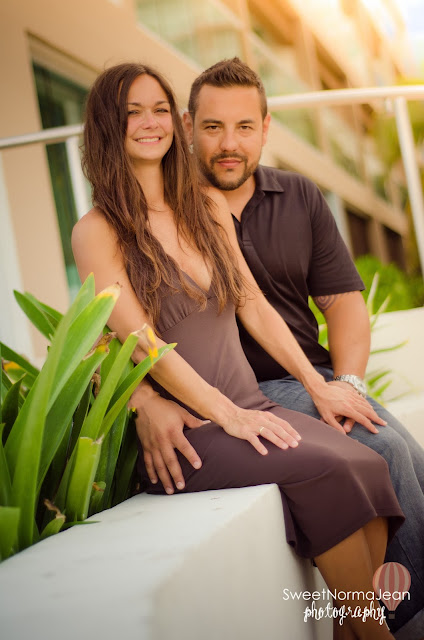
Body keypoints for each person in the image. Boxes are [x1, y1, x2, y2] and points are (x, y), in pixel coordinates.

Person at [72, 62, 404, 640]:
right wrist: (226, 415)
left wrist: (318, 384)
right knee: (328, 468)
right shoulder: (97, 230)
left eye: (159, 109)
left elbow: (255, 306)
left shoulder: (205, 208)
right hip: (195, 426)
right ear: (107, 125)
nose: (150, 123)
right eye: (132, 112)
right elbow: (141, 343)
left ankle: (353, 630)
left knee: (370, 464)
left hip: (251, 405)